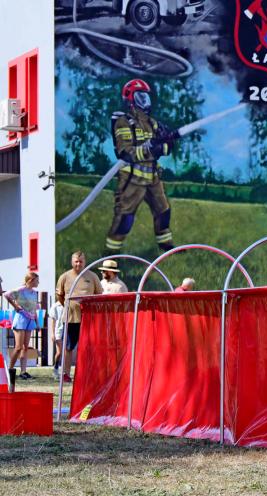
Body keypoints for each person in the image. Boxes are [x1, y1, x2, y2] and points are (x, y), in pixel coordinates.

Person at [106, 78, 180, 253]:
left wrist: (165, 145)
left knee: (163, 211)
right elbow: (125, 152)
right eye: (140, 97)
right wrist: (151, 151)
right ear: (130, 99)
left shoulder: (152, 123)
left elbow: (166, 147)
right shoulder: (124, 122)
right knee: (125, 219)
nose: (145, 101)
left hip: (153, 178)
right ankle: (111, 254)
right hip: (133, 179)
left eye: (146, 97)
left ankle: (166, 247)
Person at [56, 251, 103, 383]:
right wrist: (69, 306)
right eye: (76, 261)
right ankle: (66, 374)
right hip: (70, 318)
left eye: (81, 261)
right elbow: (60, 295)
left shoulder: (92, 276)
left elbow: (99, 295)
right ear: (72, 262)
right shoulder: (64, 277)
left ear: (85, 262)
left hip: (89, 319)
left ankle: (87, 373)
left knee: (88, 347)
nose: (78, 264)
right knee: (68, 347)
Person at [3, 272, 40, 380]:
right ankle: (10, 370)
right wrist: (15, 306)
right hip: (20, 320)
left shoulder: (34, 293)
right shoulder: (21, 290)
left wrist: (37, 323)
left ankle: (23, 372)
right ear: (31, 280)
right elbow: (6, 295)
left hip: (30, 320)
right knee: (18, 347)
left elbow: (34, 309)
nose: (38, 283)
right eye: (37, 281)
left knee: (25, 347)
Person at [47, 291, 66, 380]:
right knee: (59, 352)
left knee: (66, 351)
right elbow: (53, 321)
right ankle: (56, 367)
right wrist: (53, 333)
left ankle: (64, 371)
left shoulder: (68, 304)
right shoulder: (55, 306)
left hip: (67, 329)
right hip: (59, 330)